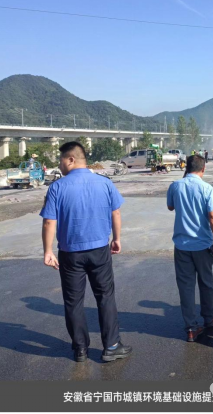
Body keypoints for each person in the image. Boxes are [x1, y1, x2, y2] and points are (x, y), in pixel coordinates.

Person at [40, 141, 131, 363]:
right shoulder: (104, 183)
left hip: (70, 253)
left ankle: (80, 349)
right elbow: (116, 213)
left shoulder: (57, 188)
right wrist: (116, 239)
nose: (59, 165)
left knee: (73, 301)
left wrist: (48, 251)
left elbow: (49, 222)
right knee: (105, 297)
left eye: (61, 160)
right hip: (99, 250)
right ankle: (111, 346)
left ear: (71, 159)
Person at [167, 154, 213, 342]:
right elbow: (212, 217)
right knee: (206, 282)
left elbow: (170, 207)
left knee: (186, 286)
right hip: (203, 245)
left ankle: (191, 327)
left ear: (186, 168)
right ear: (203, 168)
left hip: (182, 245)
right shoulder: (207, 188)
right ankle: (209, 316)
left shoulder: (175, 186)